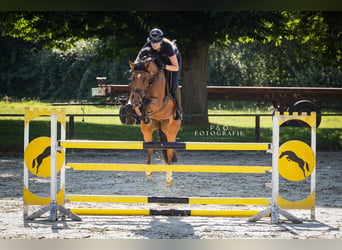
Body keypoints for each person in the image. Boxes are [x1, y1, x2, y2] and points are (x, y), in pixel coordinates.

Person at [135, 28, 183, 120]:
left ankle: (179, 109)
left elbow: (175, 67)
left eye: (157, 42)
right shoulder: (147, 45)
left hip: (171, 64)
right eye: (152, 42)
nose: (154, 44)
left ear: (161, 41)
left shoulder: (168, 47)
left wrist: (164, 66)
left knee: (173, 84)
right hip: (157, 63)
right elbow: (137, 61)